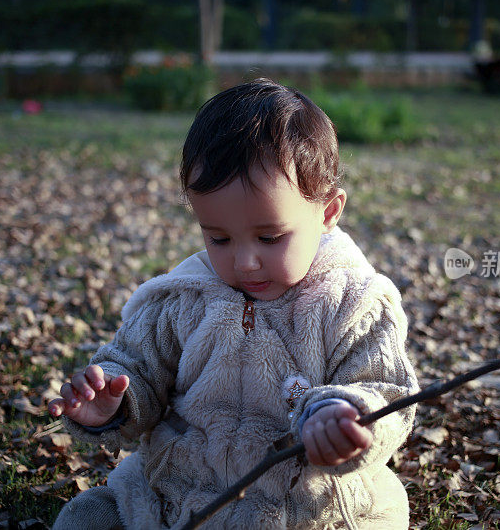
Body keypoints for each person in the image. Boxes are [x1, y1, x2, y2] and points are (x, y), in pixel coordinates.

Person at [48, 78, 419, 529]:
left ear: (327, 212)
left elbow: (387, 391)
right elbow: (135, 368)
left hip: (305, 506)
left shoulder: (354, 304)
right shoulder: (182, 298)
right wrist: (111, 405)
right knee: (86, 519)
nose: (244, 262)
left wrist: (347, 419)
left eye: (270, 237)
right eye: (218, 238)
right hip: (181, 493)